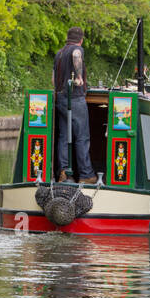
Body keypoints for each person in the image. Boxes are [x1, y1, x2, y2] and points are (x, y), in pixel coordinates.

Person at [54, 26, 96, 184]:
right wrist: (79, 77)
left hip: (60, 97)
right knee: (82, 137)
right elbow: (76, 54)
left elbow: (53, 79)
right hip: (75, 98)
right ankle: (86, 174)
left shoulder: (59, 53)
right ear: (81, 39)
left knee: (64, 136)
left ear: (67, 38)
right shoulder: (77, 49)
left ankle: (63, 172)